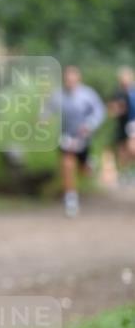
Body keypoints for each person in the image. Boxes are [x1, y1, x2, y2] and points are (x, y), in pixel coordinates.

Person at [44, 65, 105, 217]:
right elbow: (48, 109)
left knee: (84, 170)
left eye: (72, 78)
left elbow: (100, 111)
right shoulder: (58, 95)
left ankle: (89, 162)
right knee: (67, 164)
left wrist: (90, 124)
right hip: (66, 137)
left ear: (78, 78)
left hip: (83, 138)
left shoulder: (88, 94)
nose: (69, 81)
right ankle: (71, 199)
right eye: (67, 79)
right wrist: (43, 118)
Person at [107, 67, 135, 180]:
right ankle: (125, 173)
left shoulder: (133, 92)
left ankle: (128, 171)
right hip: (122, 125)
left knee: (131, 149)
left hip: (132, 124)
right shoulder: (118, 93)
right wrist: (117, 110)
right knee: (122, 150)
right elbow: (112, 109)